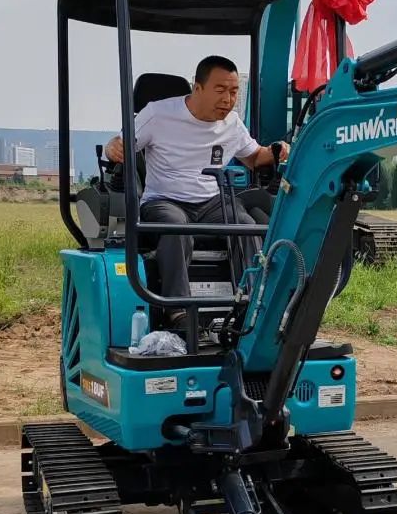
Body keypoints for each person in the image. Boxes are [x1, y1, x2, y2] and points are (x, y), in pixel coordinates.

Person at [104, 55, 289, 329]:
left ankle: (253, 305)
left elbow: (254, 157)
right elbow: (120, 145)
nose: (227, 99)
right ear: (197, 88)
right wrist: (112, 147)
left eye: (233, 91)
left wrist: (277, 150)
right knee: (176, 227)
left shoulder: (233, 124)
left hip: (212, 201)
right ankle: (177, 311)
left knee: (247, 225)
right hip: (165, 200)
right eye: (220, 90)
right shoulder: (157, 115)